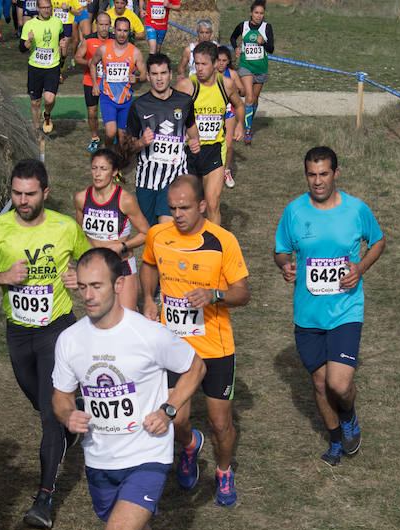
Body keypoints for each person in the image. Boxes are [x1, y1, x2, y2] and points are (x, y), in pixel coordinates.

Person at [52, 248, 205, 530]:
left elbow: (195, 366)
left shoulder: (147, 334)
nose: (88, 296)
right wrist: (66, 414)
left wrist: (168, 409)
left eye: (97, 286)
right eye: (83, 287)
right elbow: (61, 395)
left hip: (146, 454)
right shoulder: (70, 340)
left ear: (119, 284)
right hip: (100, 460)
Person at [0, 158, 91, 529]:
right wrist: (2, 276)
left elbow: (91, 263)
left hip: (58, 329)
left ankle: (44, 499)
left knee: (50, 416)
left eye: (30, 193)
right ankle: (77, 413)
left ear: (45, 193)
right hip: (18, 332)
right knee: (42, 404)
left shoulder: (66, 227)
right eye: (17, 193)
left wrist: (77, 278)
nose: (23, 200)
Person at [140, 175, 250, 506]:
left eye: (184, 207)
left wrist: (214, 294)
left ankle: (224, 470)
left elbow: (243, 293)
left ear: (202, 205)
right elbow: (148, 264)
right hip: (174, 349)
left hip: (215, 349)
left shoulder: (222, 241)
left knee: (220, 423)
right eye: (172, 208)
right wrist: (148, 297)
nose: (178, 215)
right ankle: (189, 446)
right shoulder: (158, 235)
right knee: (176, 419)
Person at [273, 146, 385, 466]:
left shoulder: (355, 209)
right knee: (320, 383)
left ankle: (348, 415)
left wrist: (360, 269)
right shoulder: (294, 212)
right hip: (308, 314)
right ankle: (335, 438)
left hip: (346, 310)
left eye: (323, 174)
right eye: (311, 174)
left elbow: (377, 241)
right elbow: (280, 250)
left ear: (336, 173)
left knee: (339, 383)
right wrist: (285, 265)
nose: (317, 181)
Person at [123, 53, 200, 226]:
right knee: (150, 232)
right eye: (155, 74)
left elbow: (191, 128)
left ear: (170, 74)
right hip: (147, 178)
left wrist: (195, 142)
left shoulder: (185, 101)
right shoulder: (139, 106)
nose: (159, 79)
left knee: (166, 225)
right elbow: (127, 147)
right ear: (148, 76)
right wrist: (142, 142)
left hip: (175, 175)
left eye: (163, 73)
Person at [174, 41, 244, 226]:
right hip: (190, 152)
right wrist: (186, 133)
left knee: (212, 203)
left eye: (203, 64)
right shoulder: (187, 86)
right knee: (190, 203)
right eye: (196, 63)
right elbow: (173, 112)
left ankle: (213, 246)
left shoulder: (226, 85)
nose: (199, 68)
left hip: (215, 149)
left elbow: (239, 105)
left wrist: (240, 125)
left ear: (215, 65)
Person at [74, 148, 150, 311]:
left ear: (114, 172)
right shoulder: (81, 199)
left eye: (103, 169)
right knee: (99, 319)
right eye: (94, 168)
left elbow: (146, 233)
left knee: (126, 317)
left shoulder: (125, 200)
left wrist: (122, 246)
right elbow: (79, 234)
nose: (97, 174)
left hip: (121, 265)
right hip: (95, 268)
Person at [90, 17, 148, 150]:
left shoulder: (135, 52)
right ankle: (108, 152)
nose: (122, 34)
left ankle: (117, 162)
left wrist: (137, 79)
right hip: (108, 98)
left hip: (126, 100)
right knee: (110, 132)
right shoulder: (104, 49)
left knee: (122, 139)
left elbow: (145, 75)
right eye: (119, 30)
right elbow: (92, 64)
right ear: (114, 30)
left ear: (129, 32)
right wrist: (94, 84)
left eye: (125, 31)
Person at [229, 0, 274, 144]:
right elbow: (232, 37)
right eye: (256, 13)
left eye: (261, 13)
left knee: (254, 100)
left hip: (261, 68)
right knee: (248, 97)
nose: (258, 16)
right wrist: (235, 47)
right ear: (251, 13)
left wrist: (263, 43)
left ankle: (246, 122)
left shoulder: (267, 27)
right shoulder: (243, 26)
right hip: (245, 65)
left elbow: (271, 48)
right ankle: (247, 130)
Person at [20, 0, 66, 134]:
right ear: (38, 8)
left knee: (49, 99)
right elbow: (22, 48)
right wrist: (29, 41)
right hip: (35, 67)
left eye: (49, 7)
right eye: (44, 8)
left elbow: (61, 37)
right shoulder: (29, 24)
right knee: (35, 102)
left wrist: (63, 46)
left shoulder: (57, 22)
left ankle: (47, 114)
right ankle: (36, 129)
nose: (47, 10)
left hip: (52, 66)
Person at [75, 12, 111, 152]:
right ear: (96, 25)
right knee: (92, 112)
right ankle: (95, 137)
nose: (103, 28)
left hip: (111, 82)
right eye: (100, 24)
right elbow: (77, 57)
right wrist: (89, 62)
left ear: (110, 26)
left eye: (106, 24)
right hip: (91, 81)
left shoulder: (115, 40)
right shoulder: (88, 40)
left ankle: (111, 134)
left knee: (110, 111)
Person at [215, 45, 243, 189]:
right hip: (212, 111)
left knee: (229, 144)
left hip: (228, 110)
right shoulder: (210, 73)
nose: (221, 63)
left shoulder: (232, 74)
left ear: (228, 61)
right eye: (218, 60)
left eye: (224, 60)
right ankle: (213, 170)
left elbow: (242, 91)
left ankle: (226, 170)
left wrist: (236, 90)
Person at [51, 0, 82, 77]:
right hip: (54, 25)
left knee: (63, 53)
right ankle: (58, 74)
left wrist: (69, 7)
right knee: (57, 51)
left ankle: (60, 68)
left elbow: (79, 12)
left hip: (66, 26)